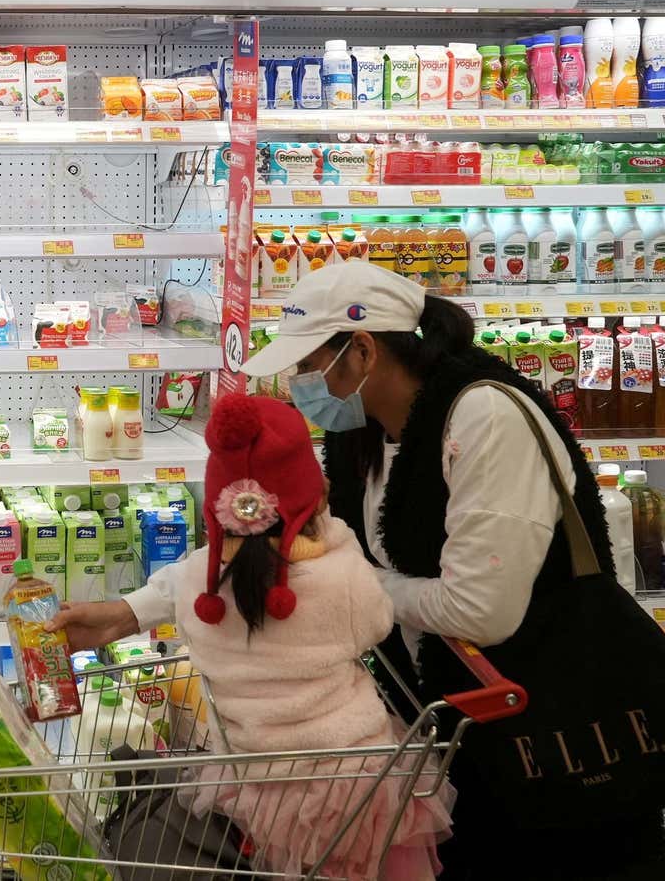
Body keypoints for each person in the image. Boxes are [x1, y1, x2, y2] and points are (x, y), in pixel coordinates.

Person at [53, 261, 665, 880]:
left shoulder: (485, 418)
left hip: (553, 731)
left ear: (362, 351)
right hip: (449, 729)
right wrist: (129, 613)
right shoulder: (361, 431)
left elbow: (484, 610)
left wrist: (338, 586)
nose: (299, 383)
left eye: (308, 364)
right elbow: (267, 541)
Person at [73, 391, 455, 879]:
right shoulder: (344, 577)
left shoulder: (197, 589)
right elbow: (378, 624)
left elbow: (195, 576)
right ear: (315, 493)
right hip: (357, 782)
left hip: (256, 788)